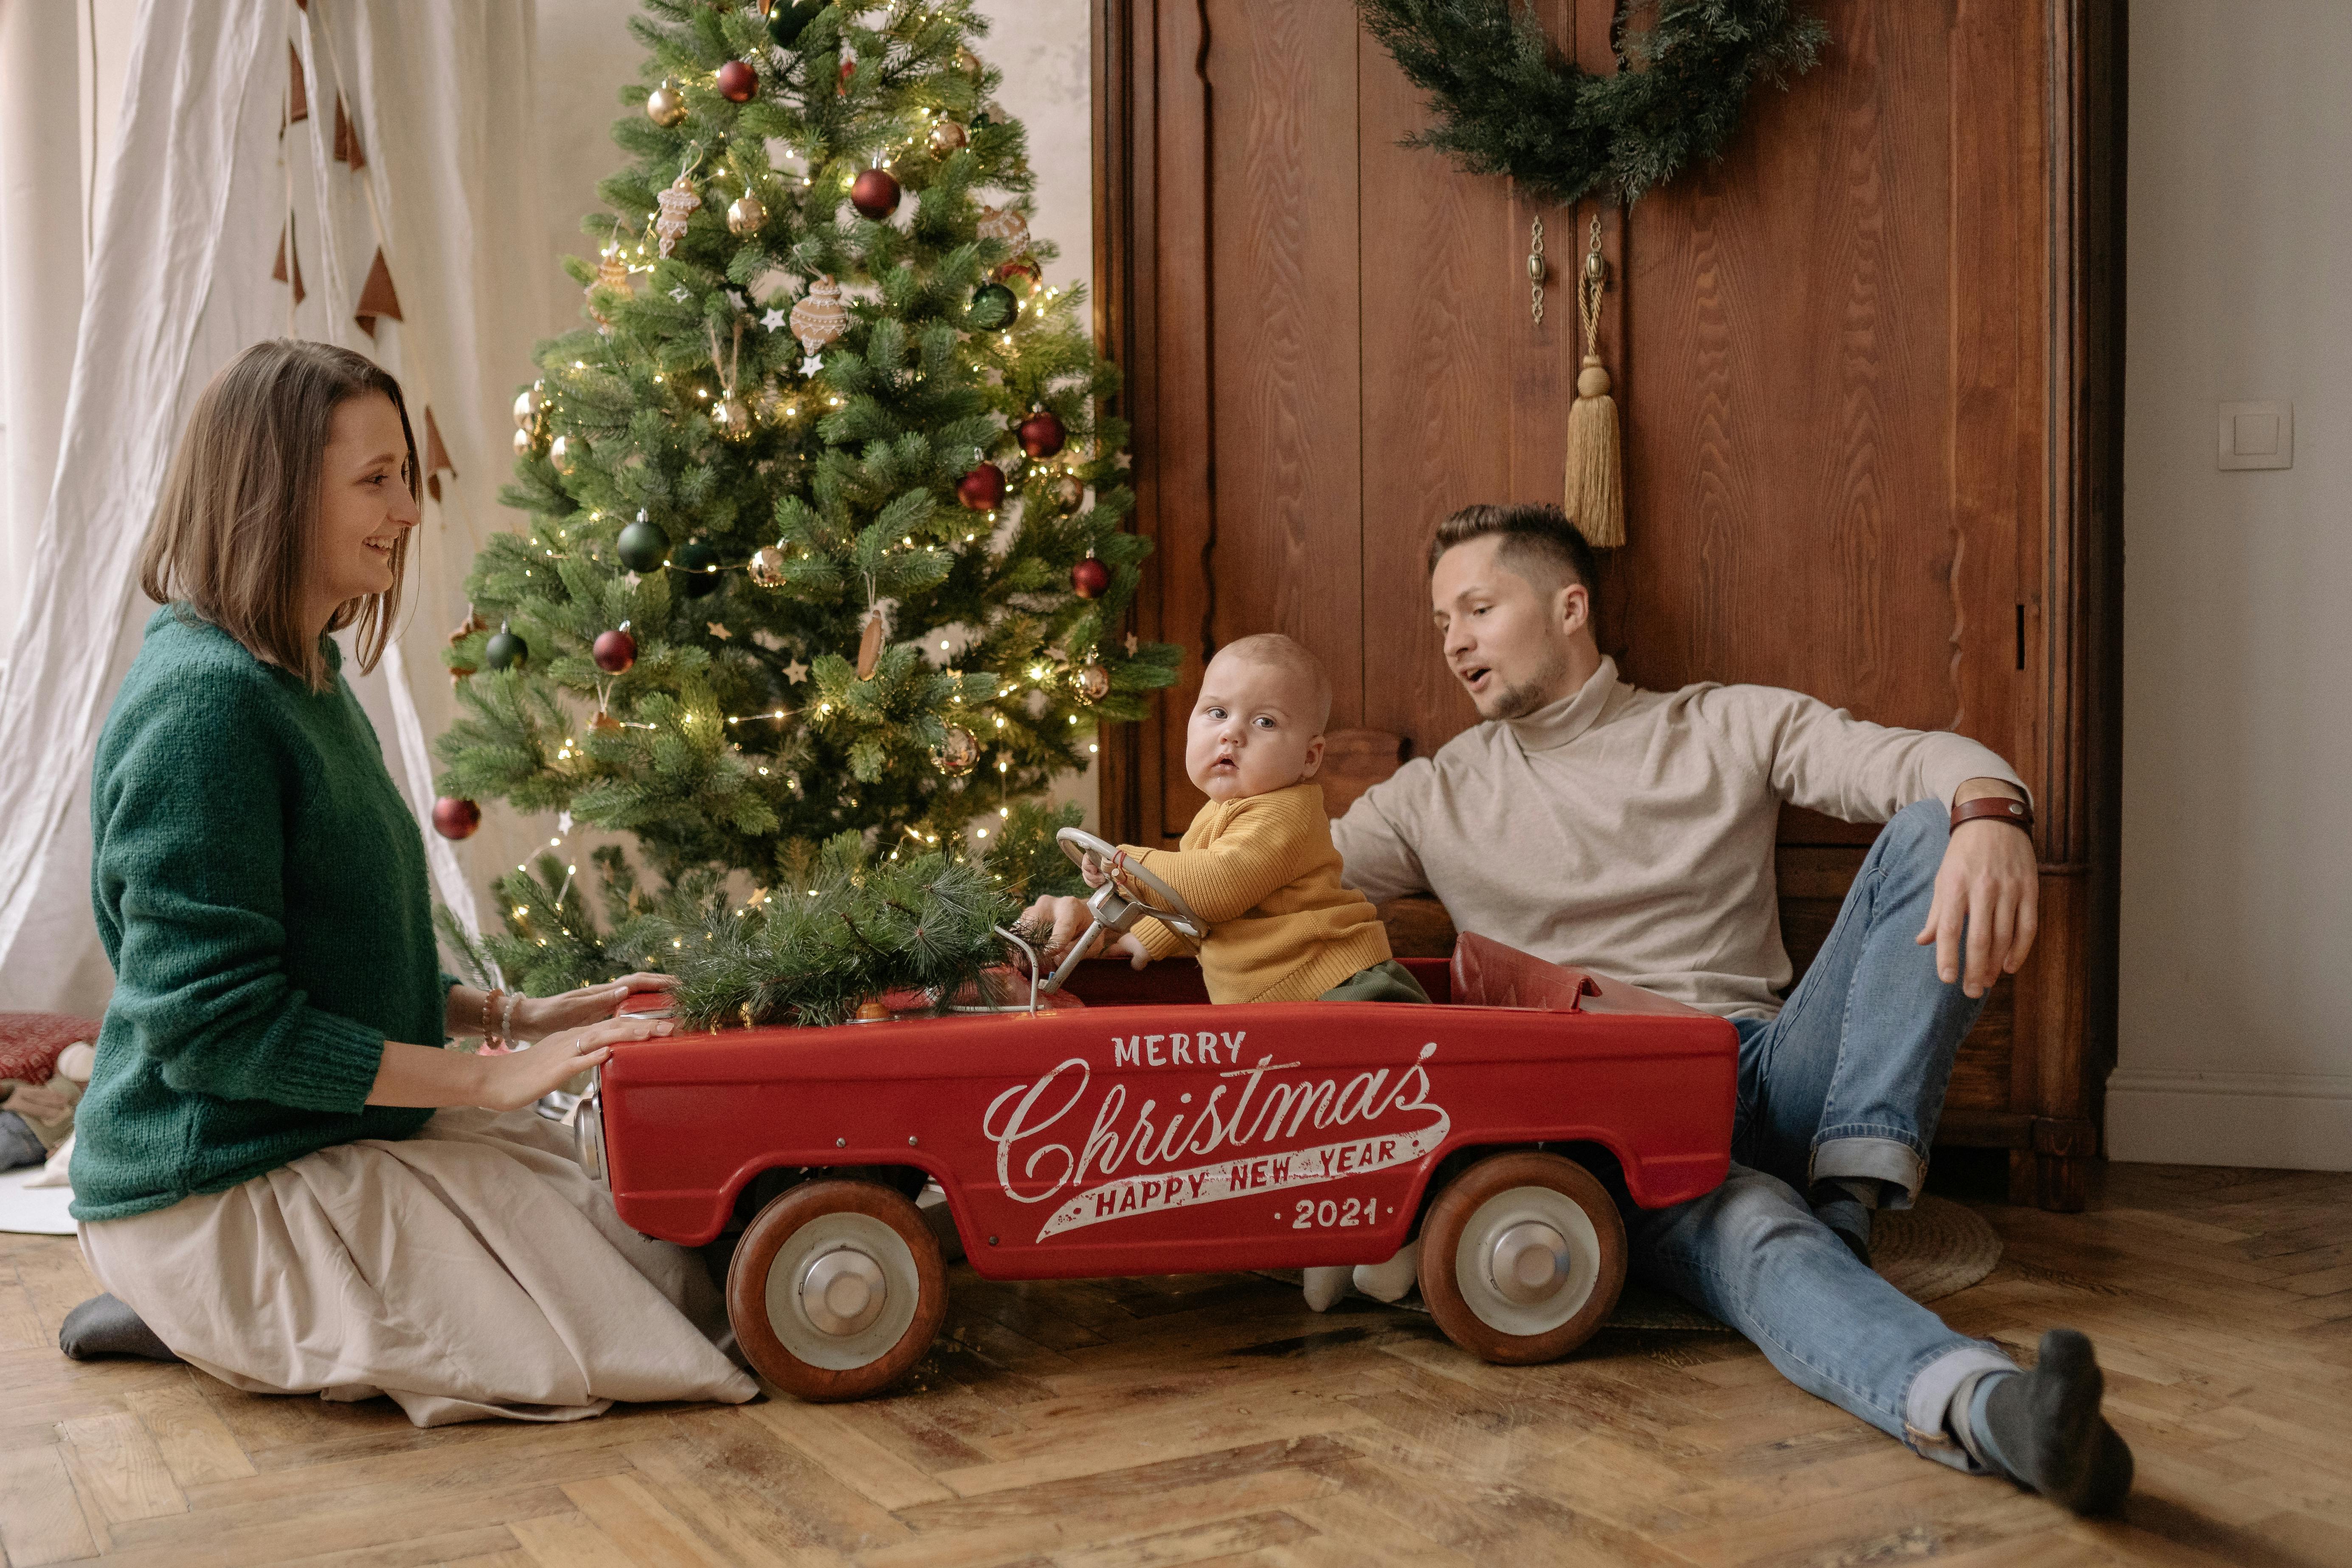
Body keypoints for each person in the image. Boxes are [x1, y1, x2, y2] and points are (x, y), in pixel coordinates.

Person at [1029, 502, 2130, 1515]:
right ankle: (1988, 1406)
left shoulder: (1722, 724)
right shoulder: (1432, 792)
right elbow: (1246, 873)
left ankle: (1850, 1177)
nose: (1453, 640)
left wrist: (1991, 812)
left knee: (1934, 826)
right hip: (1603, 1116)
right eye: (1438, 619)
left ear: (1568, 605)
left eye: (1476, 606)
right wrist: (1071, 913)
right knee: (1757, 1233)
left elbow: (1915, 760)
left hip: (1767, 1062)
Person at [64, 339, 758, 1426]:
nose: (408, 507)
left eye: (406, 475)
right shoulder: (202, 711)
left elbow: (326, 948)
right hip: (213, 1180)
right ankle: (194, 1306)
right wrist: (480, 1078)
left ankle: (244, 1327)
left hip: (311, 1132)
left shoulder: (302, 667)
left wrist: (502, 1014)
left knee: (636, 1238)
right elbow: (212, 1029)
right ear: (276, 494)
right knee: (623, 1335)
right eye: (374, 479)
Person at [1075, 633, 1427, 1008]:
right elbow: (1196, 909)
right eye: (1217, 713)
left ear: (1310, 757)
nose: (1232, 733)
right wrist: (1147, 938)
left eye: (1265, 722)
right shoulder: (1215, 814)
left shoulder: (1285, 813)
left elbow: (1216, 887)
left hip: (1343, 986)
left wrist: (1124, 863)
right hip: (1295, 996)